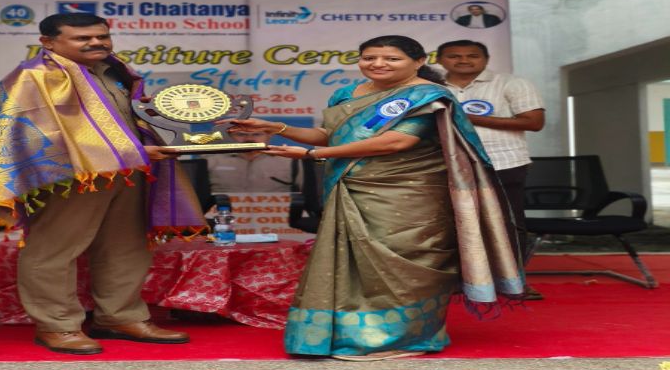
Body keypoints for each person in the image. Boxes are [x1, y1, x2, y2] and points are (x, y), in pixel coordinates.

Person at [224, 35, 523, 361]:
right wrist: (274, 126)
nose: (378, 64)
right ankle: (343, 335)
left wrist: (314, 155)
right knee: (352, 266)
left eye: (391, 58)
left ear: (419, 61)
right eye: (369, 57)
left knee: (406, 264)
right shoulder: (346, 94)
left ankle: (404, 336)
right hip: (353, 188)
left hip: (409, 196)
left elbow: (396, 142)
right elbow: (328, 135)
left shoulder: (427, 96)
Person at [0, 13, 204, 355]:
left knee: (126, 248)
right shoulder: (35, 77)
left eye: (101, 36)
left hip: (129, 174)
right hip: (69, 179)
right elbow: (32, 137)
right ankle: (58, 325)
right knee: (54, 251)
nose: (96, 43)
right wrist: (134, 152)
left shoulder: (114, 71)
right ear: (49, 42)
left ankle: (120, 317)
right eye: (82, 38)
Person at [436, 39, 546, 300]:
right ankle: (458, 281)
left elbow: (534, 122)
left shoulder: (512, 83)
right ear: (439, 60)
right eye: (454, 56)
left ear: (485, 59)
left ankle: (514, 282)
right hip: (444, 164)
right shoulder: (430, 88)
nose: (463, 60)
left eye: (472, 55)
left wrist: (468, 119)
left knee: (508, 223)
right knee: (447, 223)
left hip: (502, 162)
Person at [205, 129, 298, 193]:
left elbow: (304, 193)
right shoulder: (210, 161)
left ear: (269, 136)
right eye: (241, 134)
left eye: (257, 134)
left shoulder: (289, 161)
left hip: (278, 214)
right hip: (222, 213)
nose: (249, 139)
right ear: (230, 136)